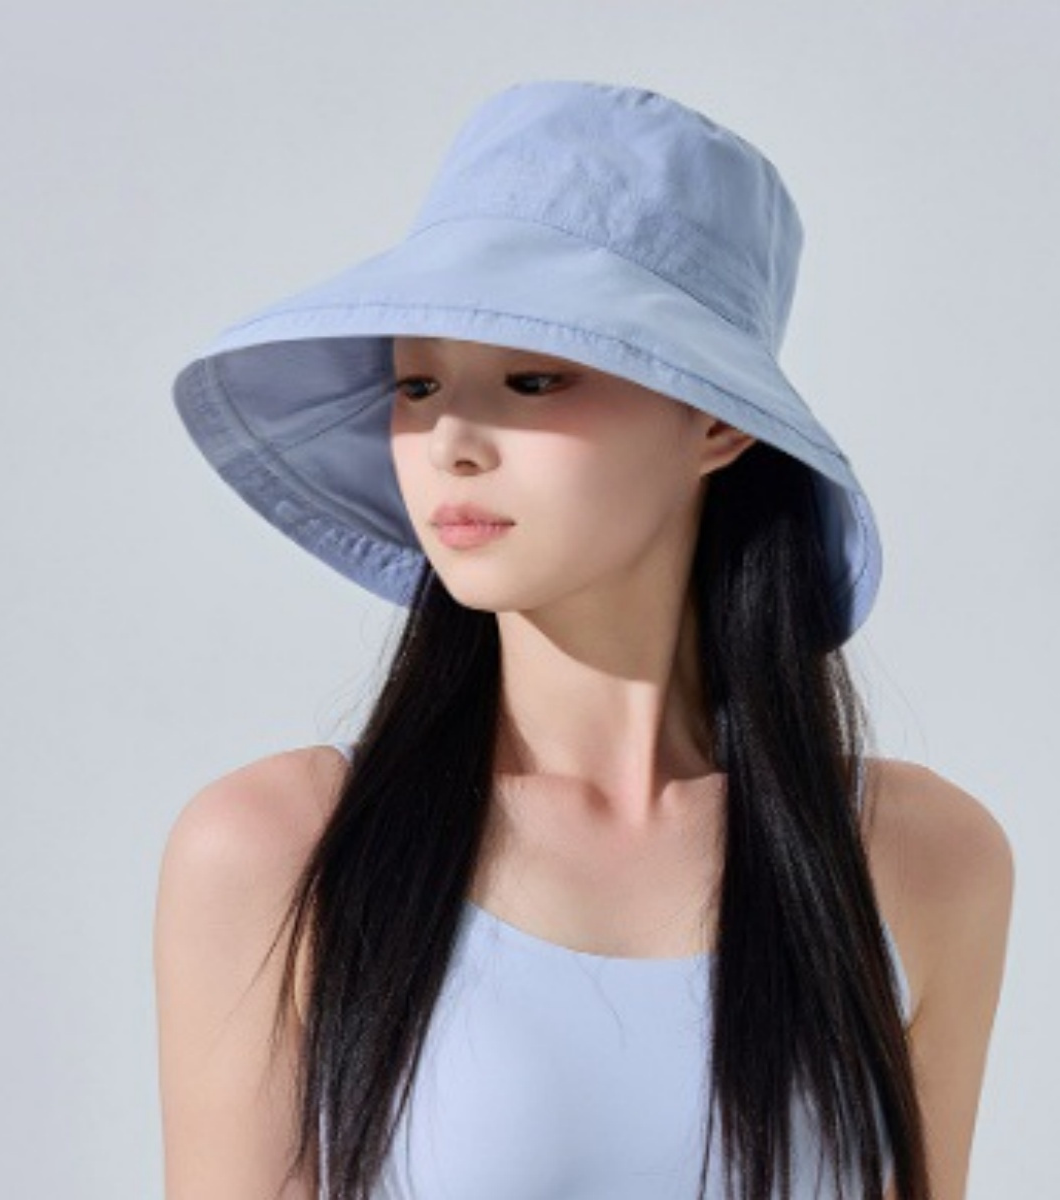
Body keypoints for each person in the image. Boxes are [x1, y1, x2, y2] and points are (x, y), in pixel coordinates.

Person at [154, 79, 1013, 1200]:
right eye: (418, 384)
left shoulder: (921, 857)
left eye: (533, 378)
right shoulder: (276, 850)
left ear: (717, 418)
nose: (451, 442)